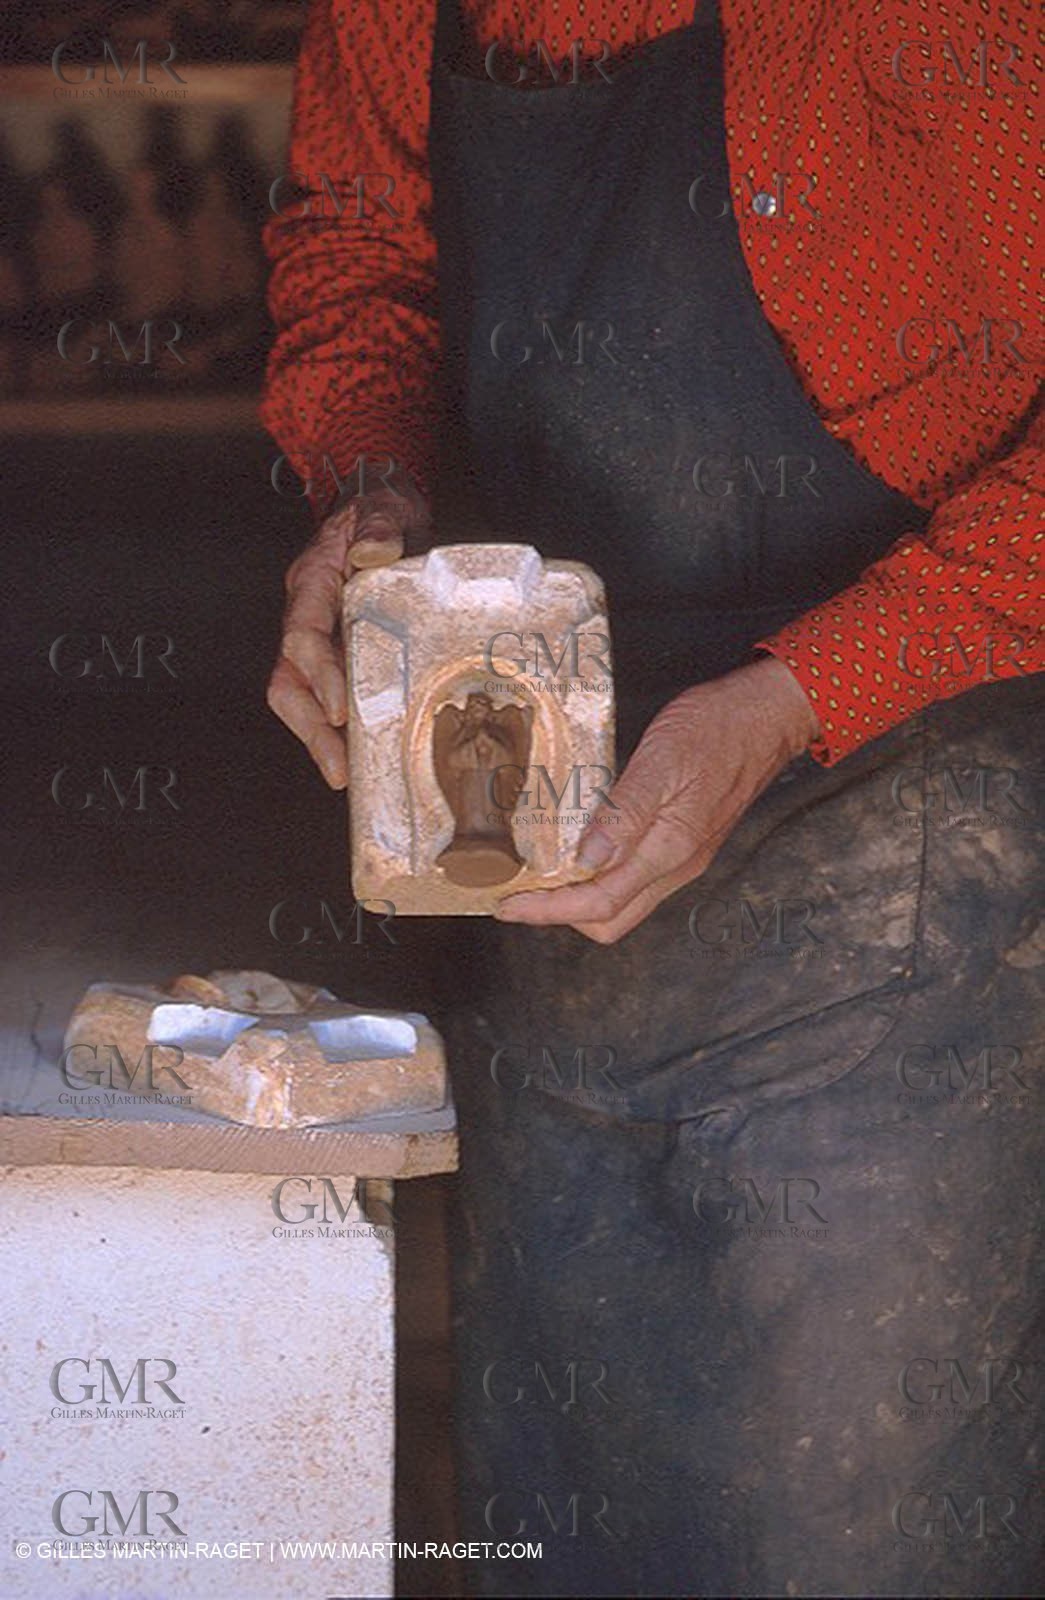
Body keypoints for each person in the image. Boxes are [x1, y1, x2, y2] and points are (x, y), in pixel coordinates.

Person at [261, 1, 1043, 1594]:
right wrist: (373, 492)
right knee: (572, 1531)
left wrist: (788, 697)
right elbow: (357, 260)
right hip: (558, 938)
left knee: (837, 1542)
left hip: (902, 894)